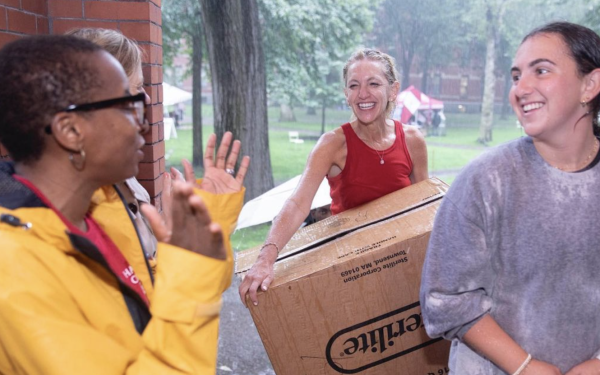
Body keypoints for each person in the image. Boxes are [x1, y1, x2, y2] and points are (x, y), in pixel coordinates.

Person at [0, 34, 236, 374]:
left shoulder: (81, 222)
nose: (144, 120)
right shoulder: (15, 270)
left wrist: (190, 251)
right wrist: (191, 275)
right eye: (128, 105)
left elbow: (139, 309)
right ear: (71, 131)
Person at [420, 21, 600, 375]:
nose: (521, 88)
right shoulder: (485, 180)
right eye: (516, 76)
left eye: (541, 70)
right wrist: (525, 367)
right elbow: (444, 301)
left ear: (590, 84)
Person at [240, 48, 428, 306]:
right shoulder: (332, 144)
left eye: (374, 83)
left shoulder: (413, 140)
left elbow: (424, 210)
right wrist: (265, 260)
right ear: (346, 94)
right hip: (352, 269)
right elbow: (297, 204)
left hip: (402, 263)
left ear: (393, 91)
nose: (363, 93)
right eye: (354, 85)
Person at [67, 28, 249, 264]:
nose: (147, 99)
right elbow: (153, 293)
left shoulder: (119, 180)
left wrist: (206, 220)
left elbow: (156, 274)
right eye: (135, 89)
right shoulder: (82, 216)